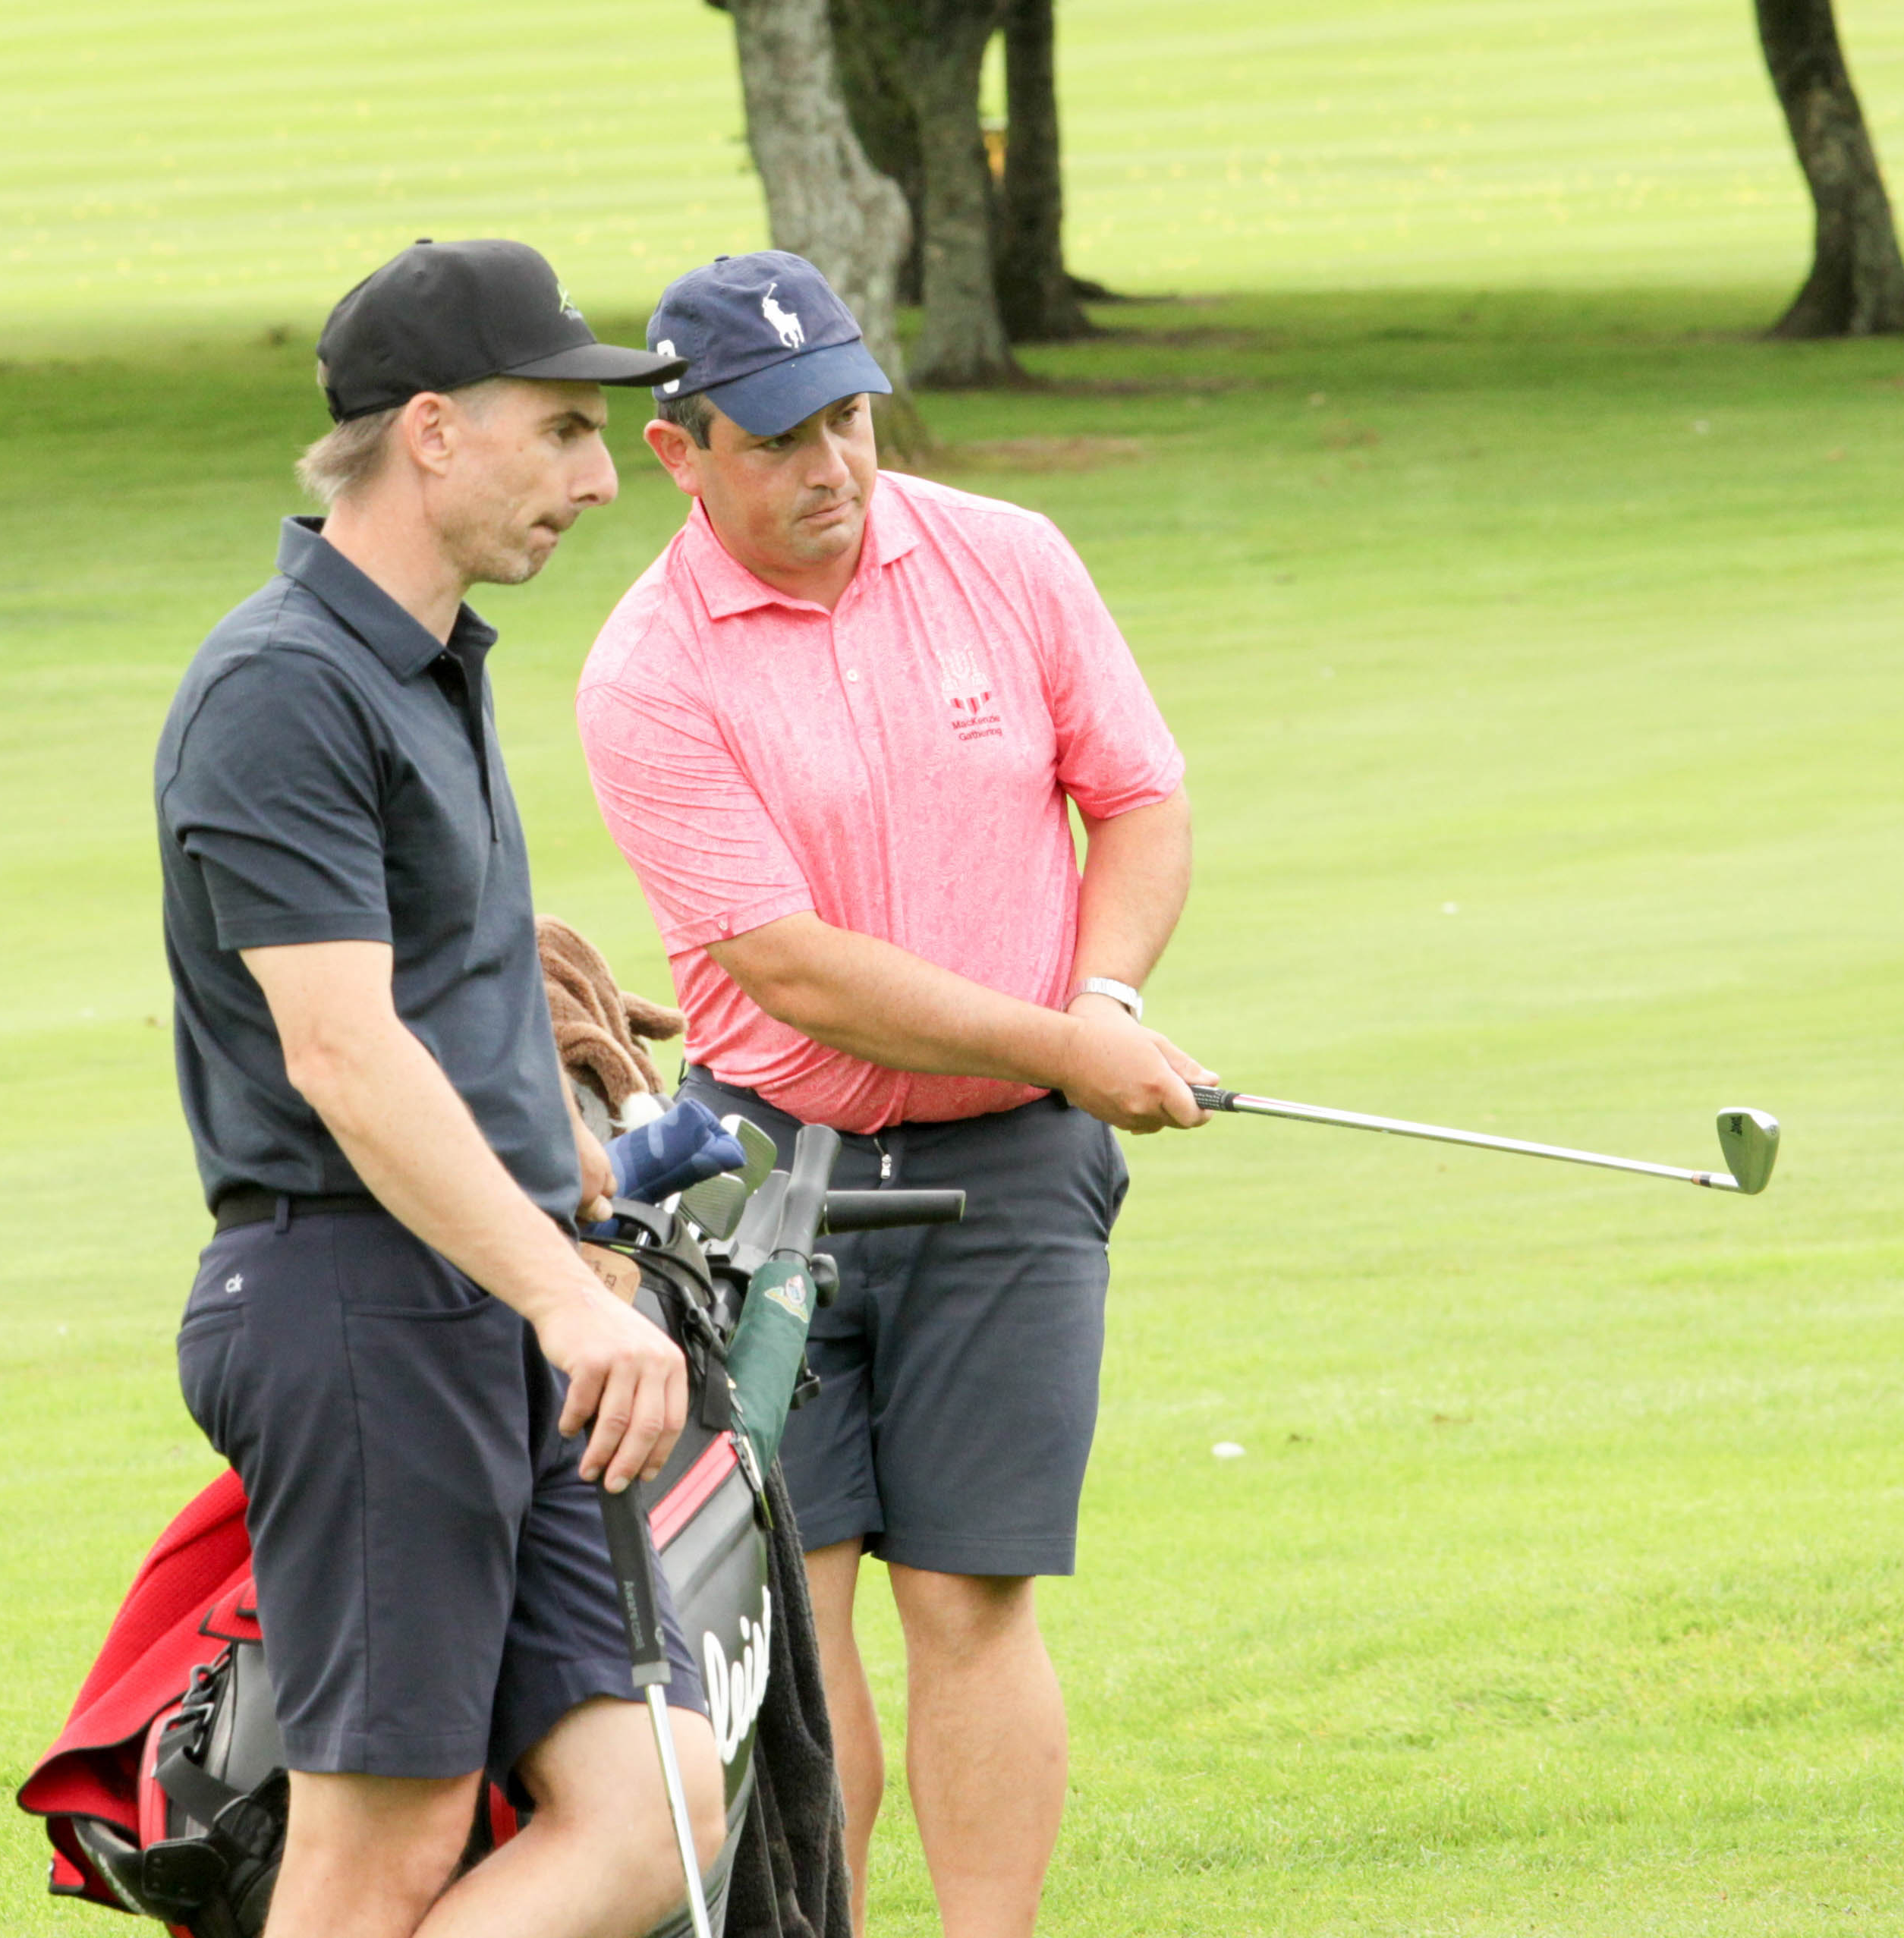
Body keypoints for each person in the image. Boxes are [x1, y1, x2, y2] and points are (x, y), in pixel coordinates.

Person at [577, 250, 1209, 1936]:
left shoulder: (1010, 557)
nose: (831, 466)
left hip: (1009, 1171)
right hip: (766, 1176)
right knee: (790, 1611)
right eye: (779, 438)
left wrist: (1103, 999)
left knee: (973, 1596)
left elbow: (1138, 798)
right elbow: (788, 966)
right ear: (680, 452)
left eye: (847, 419)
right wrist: (1065, 1046)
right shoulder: (647, 670)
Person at [155, 239, 722, 1938]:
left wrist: (563, 1169)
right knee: (377, 1856)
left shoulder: (423, 666)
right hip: (361, 1308)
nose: (600, 480)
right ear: (430, 430)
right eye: (562, 431)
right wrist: (566, 1295)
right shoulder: (282, 684)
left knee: (654, 1805)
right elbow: (338, 1050)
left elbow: (426, 1009)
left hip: (487, 1302)